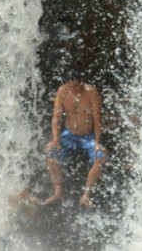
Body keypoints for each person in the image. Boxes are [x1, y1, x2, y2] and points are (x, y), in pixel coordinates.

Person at [43, 79, 108, 208]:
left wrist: (98, 142)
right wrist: (55, 140)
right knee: (51, 152)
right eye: (70, 85)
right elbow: (56, 117)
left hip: (88, 137)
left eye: (76, 85)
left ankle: (86, 195)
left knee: (101, 156)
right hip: (69, 135)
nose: (73, 88)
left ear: (82, 82)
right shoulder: (62, 91)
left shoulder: (91, 92)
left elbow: (97, 119)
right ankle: (58, 191)